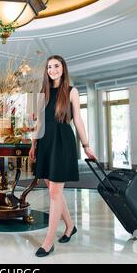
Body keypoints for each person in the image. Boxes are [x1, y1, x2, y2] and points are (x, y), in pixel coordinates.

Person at [29, 55, 96, 257]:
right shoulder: (44, 92)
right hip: (44, 142)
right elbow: (39, 122)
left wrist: (86, 145)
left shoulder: (71, 91)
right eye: (49, 67)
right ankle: (70, 226)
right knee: (52, 189)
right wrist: (33, 143)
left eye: (56, 66)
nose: (52, 69)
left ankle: (49, 241)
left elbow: (78, 120)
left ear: (63, 69)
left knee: (54, 193)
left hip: (62, 141)